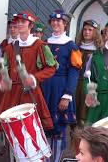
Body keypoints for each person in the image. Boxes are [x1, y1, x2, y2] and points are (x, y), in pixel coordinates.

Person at [0, 11, 55, 132]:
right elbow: (3, 67)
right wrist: (4, 79)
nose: (19, 24)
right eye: (18, 22)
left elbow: (51, 68)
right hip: (11, 94)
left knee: (30, 128)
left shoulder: (40, 45)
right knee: (10, 129)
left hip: (30, 92)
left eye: (23, 22)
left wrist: (34, 78)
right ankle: (10, 151)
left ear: (31, 25)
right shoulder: (9, 47)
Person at [41, 10, 82, 162]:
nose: (56, 23)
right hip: (45, 89)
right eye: (53, 21)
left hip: (61, 89)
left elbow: (74, 72)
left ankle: (56, 159)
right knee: (44, 127)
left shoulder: (71, 46)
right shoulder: (44, 43)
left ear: (65, 24)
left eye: (59, 21)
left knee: (58, 128)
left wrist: (67, 95)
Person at [75, 20, 104, 126]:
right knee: (73, 118)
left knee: (85, 119)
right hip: (75, 84)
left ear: (95, 32)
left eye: (90, 30)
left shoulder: (99, 51)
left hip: (89, 86)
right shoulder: (76, 47)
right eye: (85, 29)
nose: (87, 32)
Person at [85, 31, 108, 124]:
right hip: (98, 101)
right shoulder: (96, 55)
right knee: (93, 133)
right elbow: (88, 77)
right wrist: (90, 92)